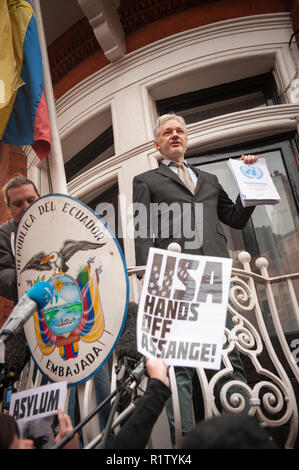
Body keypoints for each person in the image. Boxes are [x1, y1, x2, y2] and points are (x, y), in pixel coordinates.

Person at [132, 113, 258, 445]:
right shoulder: (146, 180)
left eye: (180, 131)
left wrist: (250, 183)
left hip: (217, 275)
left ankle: (242, 431)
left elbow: (234, 218)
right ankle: (186, 442)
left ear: (186, 138)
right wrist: (148, 274)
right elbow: (142, 230)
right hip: (176, 277)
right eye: (167, 132)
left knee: (230, 356)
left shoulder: (210, 179)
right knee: (180, 366)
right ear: (156, 144)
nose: (175, 136)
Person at [0, 174, 111, 430]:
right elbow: (2, 275)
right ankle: (66, 438)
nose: (27, 206)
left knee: (100, 376)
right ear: (9, 208)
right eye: (19, 204)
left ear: (39, 196)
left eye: (31, 199)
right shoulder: (5, 235)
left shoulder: (61, 221)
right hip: (41, 327)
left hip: (78, 313)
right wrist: (29, 282)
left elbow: (93, 252)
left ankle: (108, 437)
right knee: (58, 390)